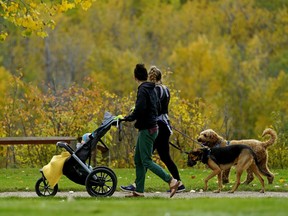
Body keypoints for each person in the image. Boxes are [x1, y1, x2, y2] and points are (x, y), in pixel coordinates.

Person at [121, 66, 185, 193]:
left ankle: (172, 181)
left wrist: (133, 114)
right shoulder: (165, 89)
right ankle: (139, 188)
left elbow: (152, 107)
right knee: (155, 157)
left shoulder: (153, 89)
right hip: (163, 124)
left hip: (154, 125)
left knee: (146, 159)